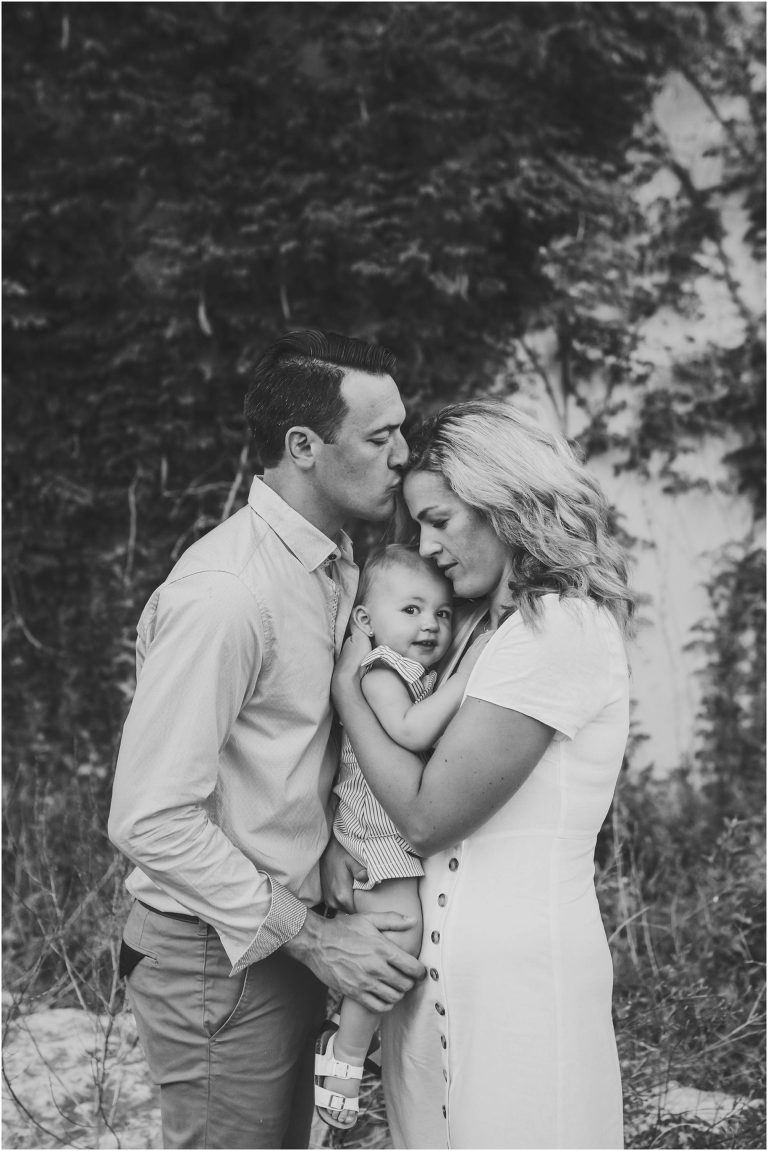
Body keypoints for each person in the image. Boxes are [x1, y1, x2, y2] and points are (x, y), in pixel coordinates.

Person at [107, 329, 426, 1151]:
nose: (403, 455)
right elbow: (149, 819)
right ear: (303, 447)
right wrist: (317, 939)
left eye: (404, 432)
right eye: (380, 436)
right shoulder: (227, 595)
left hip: (283, 938)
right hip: (214, 955)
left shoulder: (344, 569)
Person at [330, 397, 635, 1150]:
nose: (427, 545)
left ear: (504, 501)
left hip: (522, 992)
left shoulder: (557, 626)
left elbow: (430, 816)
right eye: (418, 524)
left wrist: (349, 692)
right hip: (430, 998)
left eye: (440, 518)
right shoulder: (468, 628)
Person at [315, 544, 481, 1130]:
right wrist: (465, 674)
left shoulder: (414, 670)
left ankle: (359, 1035)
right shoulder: (383, 672)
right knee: (397, 939)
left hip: (388, 828)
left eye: (440, 613)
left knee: (401, 941)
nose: (430, 625)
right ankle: (346, 1050)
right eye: (411, 610)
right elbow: (410, 731)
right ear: (366, 621)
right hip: (375, 831)